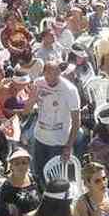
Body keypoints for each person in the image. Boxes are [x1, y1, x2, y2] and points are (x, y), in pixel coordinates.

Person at [27, 59, 82, 188]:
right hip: (40, 138)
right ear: (44, 73)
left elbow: (76, 121)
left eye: (55, 74)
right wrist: (32, 98)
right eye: (48, 75)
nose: (51, 78)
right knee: (39, 175)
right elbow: (26, 111)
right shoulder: (38, 83)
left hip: (59, 142)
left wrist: (69, 146)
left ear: (59, 73)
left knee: (57, 180)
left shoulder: (70, 90)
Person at [0, 148, 41, 216]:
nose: (21, 166)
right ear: (11, 166)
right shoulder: (5, 189)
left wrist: (36, 213)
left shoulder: (35, 179)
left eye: (24, 163)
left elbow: (44, 201)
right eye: (17, 163)